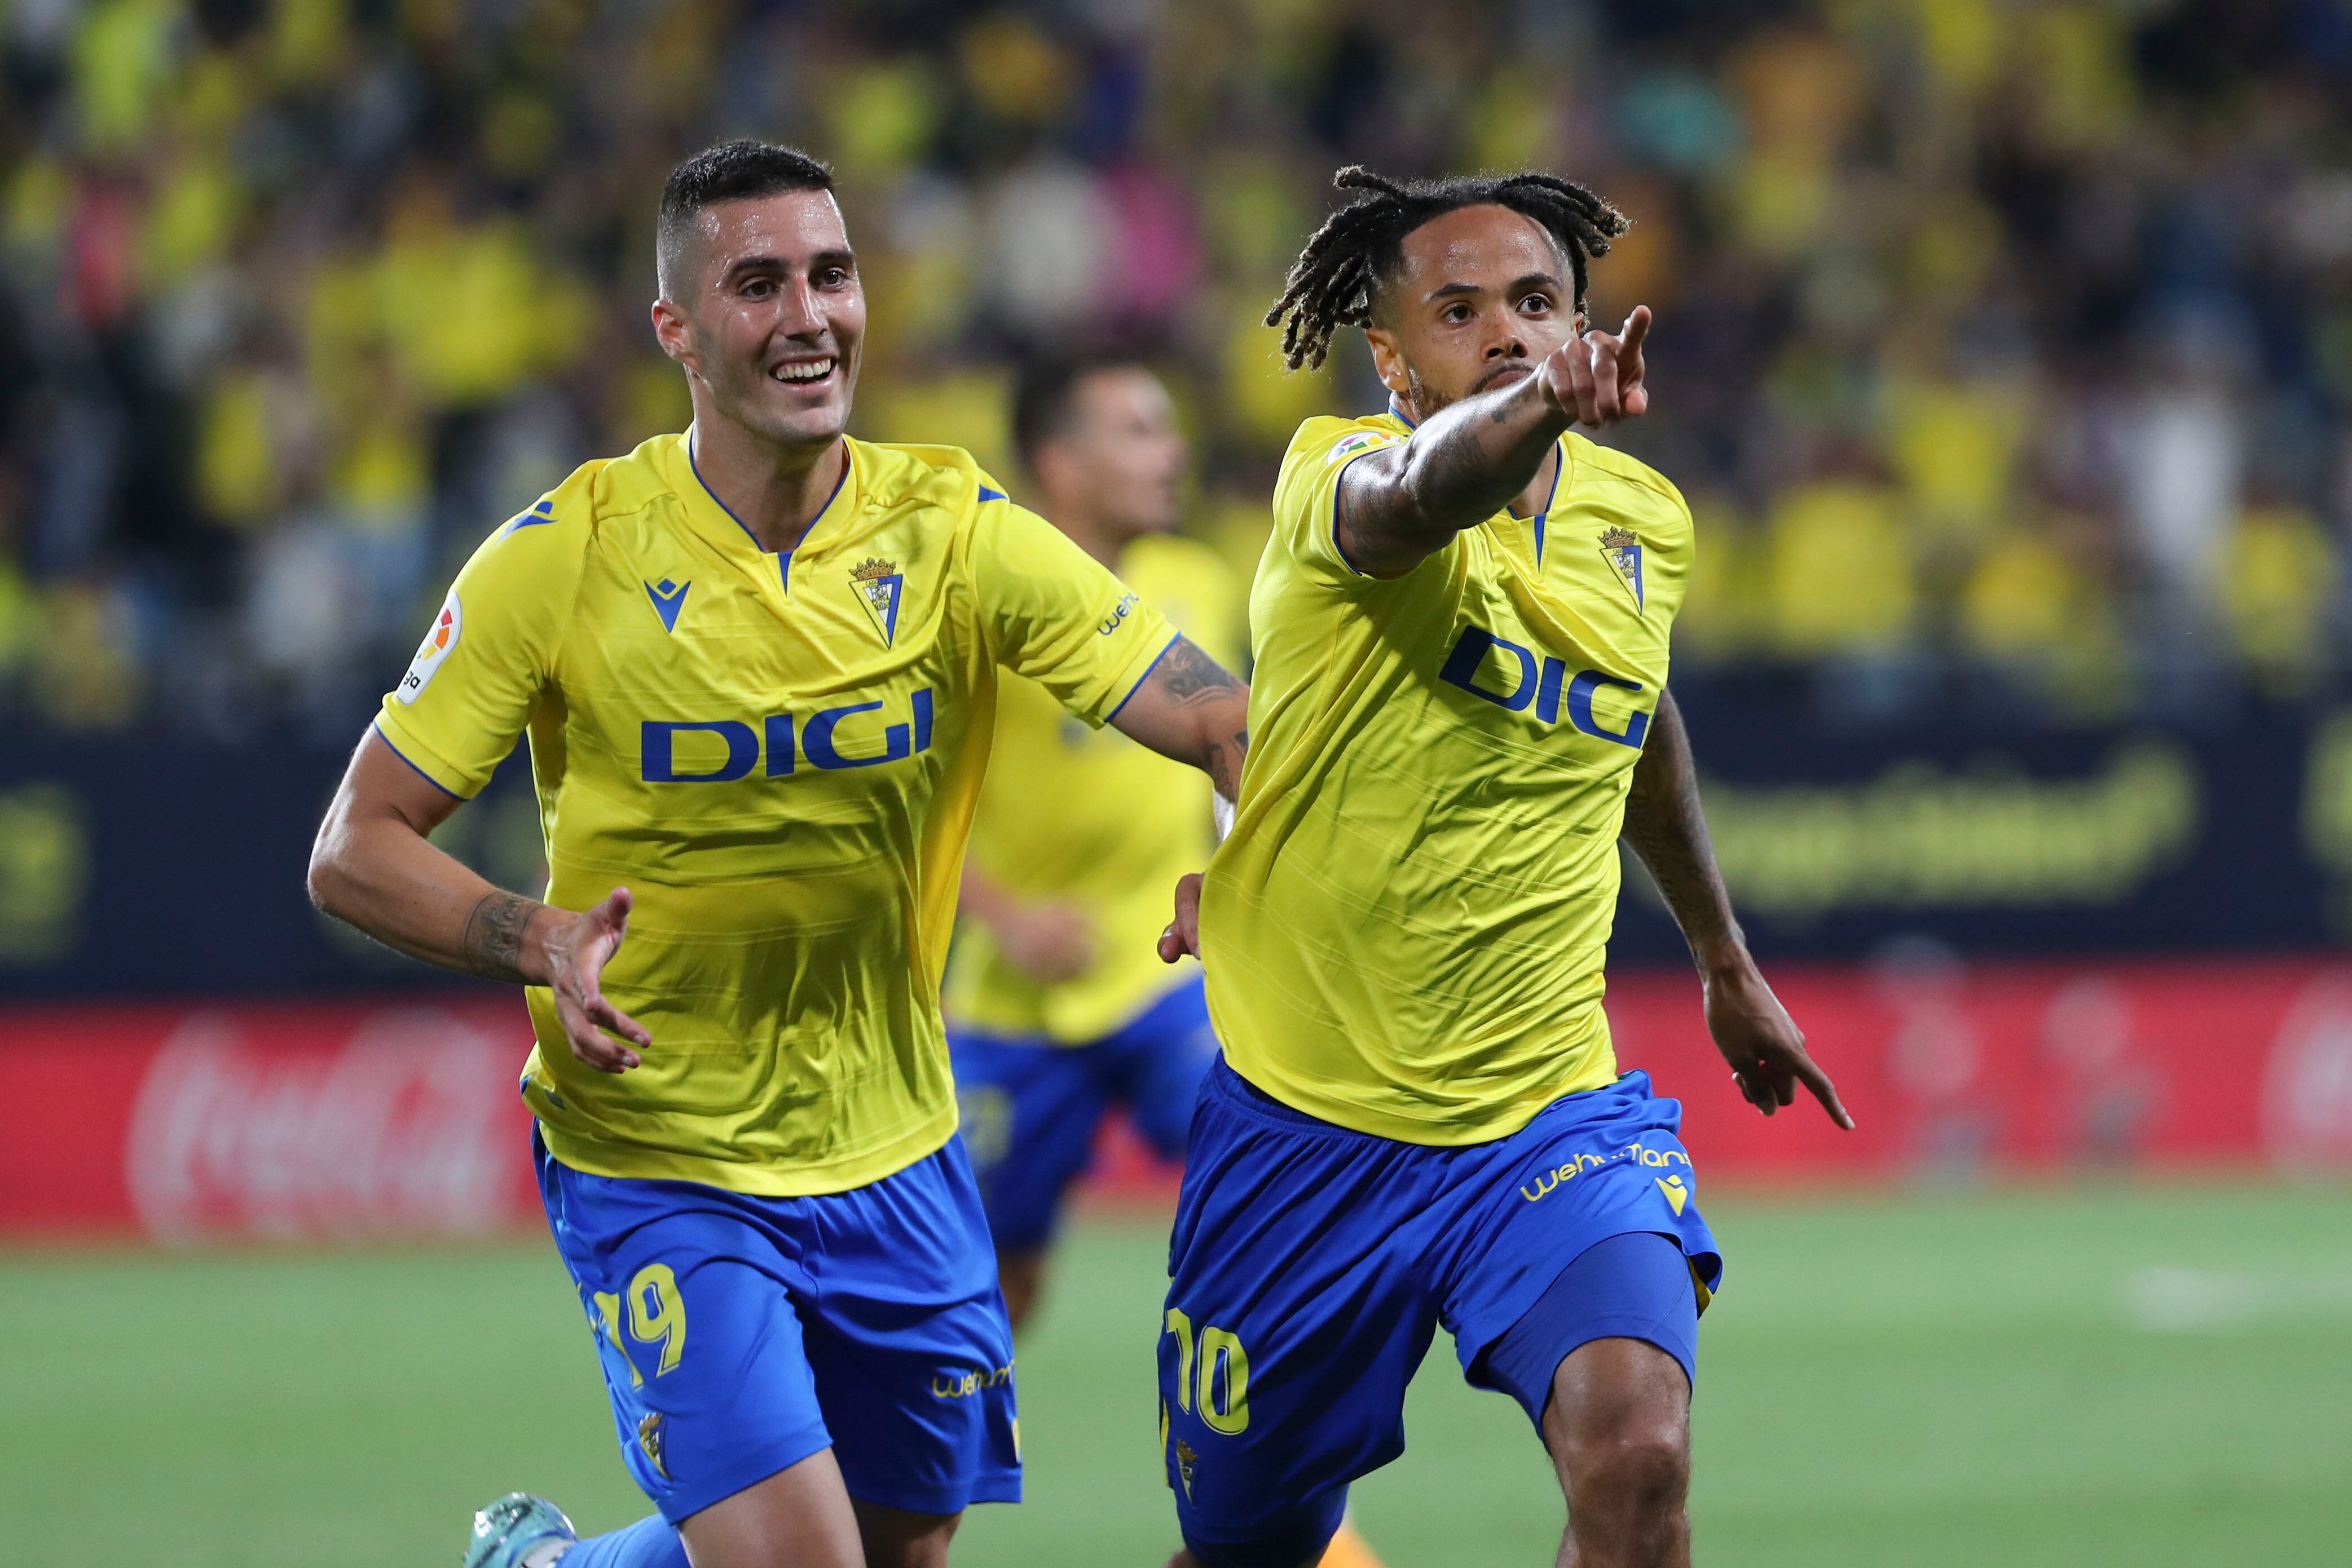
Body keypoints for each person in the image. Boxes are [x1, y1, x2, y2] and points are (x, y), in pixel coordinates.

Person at [305, 140, 1252, 1568]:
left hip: (897, 1142)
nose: (810, 314)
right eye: (759, 285)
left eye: (832, 273)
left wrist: (1240, 855)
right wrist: (538, 936)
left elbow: (1219, 716)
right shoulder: (562, 556)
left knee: (897, 1547)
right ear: (676, 330)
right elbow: (354, 846)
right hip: (660, 1152)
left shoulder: (954, 529)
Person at [1151, 167, 1852, 1568]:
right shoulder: (1334, 483)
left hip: (1544, 1115)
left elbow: (1636, 712)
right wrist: (1536, 405)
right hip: (1308, 1130)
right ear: (1392, 356)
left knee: (1639, 1450)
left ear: (1585, 317)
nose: (1510, 333)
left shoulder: (1642, 524)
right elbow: (1416, 492)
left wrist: (1724, 957)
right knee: (1248, 1550)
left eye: (1538, 305)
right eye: (1459, 311)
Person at [943, 349, 1240, 1333]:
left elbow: (1242, 760)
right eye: (1140, 430)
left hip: (1170, 979)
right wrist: (1007, 919)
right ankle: (907, 1487)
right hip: (1011, 998)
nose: (1174, 452)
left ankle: (1296, 1484)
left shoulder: (1200, 581)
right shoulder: (978, 605)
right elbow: (897, 801)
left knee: (1267, 1229)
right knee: (983, 1299)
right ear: (1061, 465)